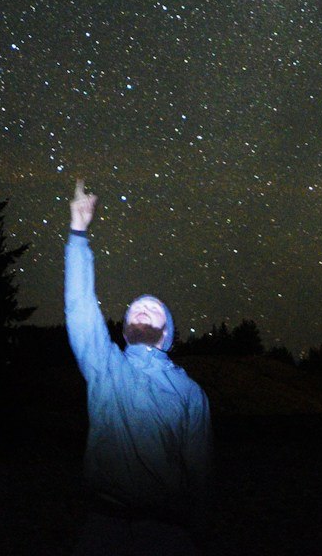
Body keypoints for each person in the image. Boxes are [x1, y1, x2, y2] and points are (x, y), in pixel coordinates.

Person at [65, 179, 212, 555]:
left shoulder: (189, 392)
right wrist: (78, 233)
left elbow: (200, 472)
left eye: (154, 308)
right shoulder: (106, 367)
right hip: (103, 527)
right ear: (126, 328)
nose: (143, 308)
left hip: (167, 532)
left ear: (166, 333)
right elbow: (81, 307)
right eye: (135, 307)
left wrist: (201, 533)